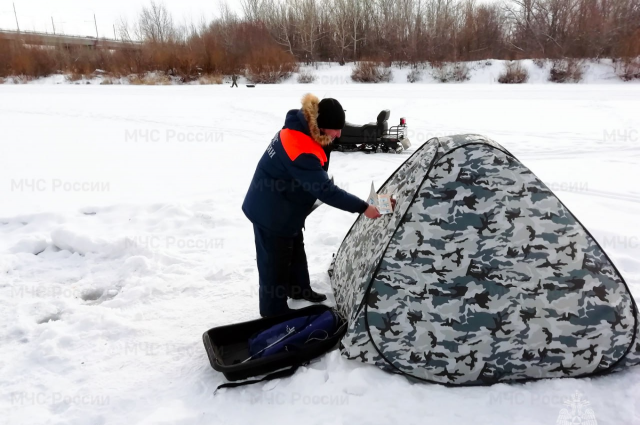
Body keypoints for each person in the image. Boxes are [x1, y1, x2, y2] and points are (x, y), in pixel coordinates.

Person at [242, 93, 381, 317]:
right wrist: (363, 207)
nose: (339, 134)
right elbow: (325, 190)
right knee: (274, 265)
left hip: (288, 206)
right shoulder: (300, 147)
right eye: (335, 129)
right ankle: (273, 314)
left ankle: (299, 289)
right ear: (322, 125)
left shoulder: (306, 127)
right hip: (269, 212)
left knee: (295, 247)